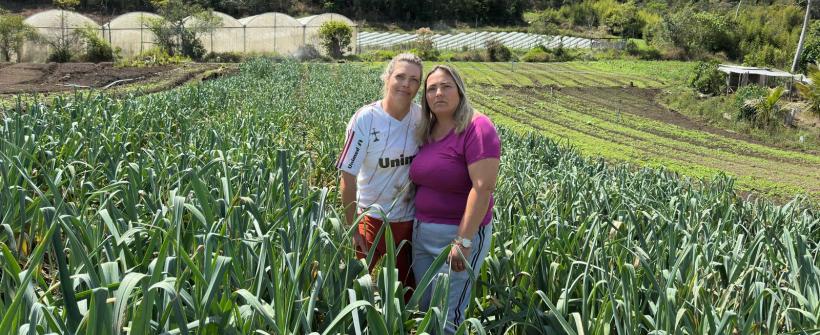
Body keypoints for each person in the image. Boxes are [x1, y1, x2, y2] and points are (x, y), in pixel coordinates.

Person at [410, 65, 501, 334]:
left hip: (458, 237)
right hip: (422, 232)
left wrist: (463, 241)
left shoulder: (477, 127)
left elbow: (483, 187)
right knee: (426, 309)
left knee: (448, 315)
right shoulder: (427, 130)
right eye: (431, 89)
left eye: (446, 86)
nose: (438, 93)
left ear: (459, 90)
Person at [336, 53, 423, 299]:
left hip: (409, 221)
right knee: (362, 291)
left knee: (406, 292)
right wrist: (352, 226)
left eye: (414, 80)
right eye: (400, 76)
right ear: (387, 78)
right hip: (371, 219)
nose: (406, 84)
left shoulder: (421, 118)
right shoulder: (365, 119)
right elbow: (348, 175)